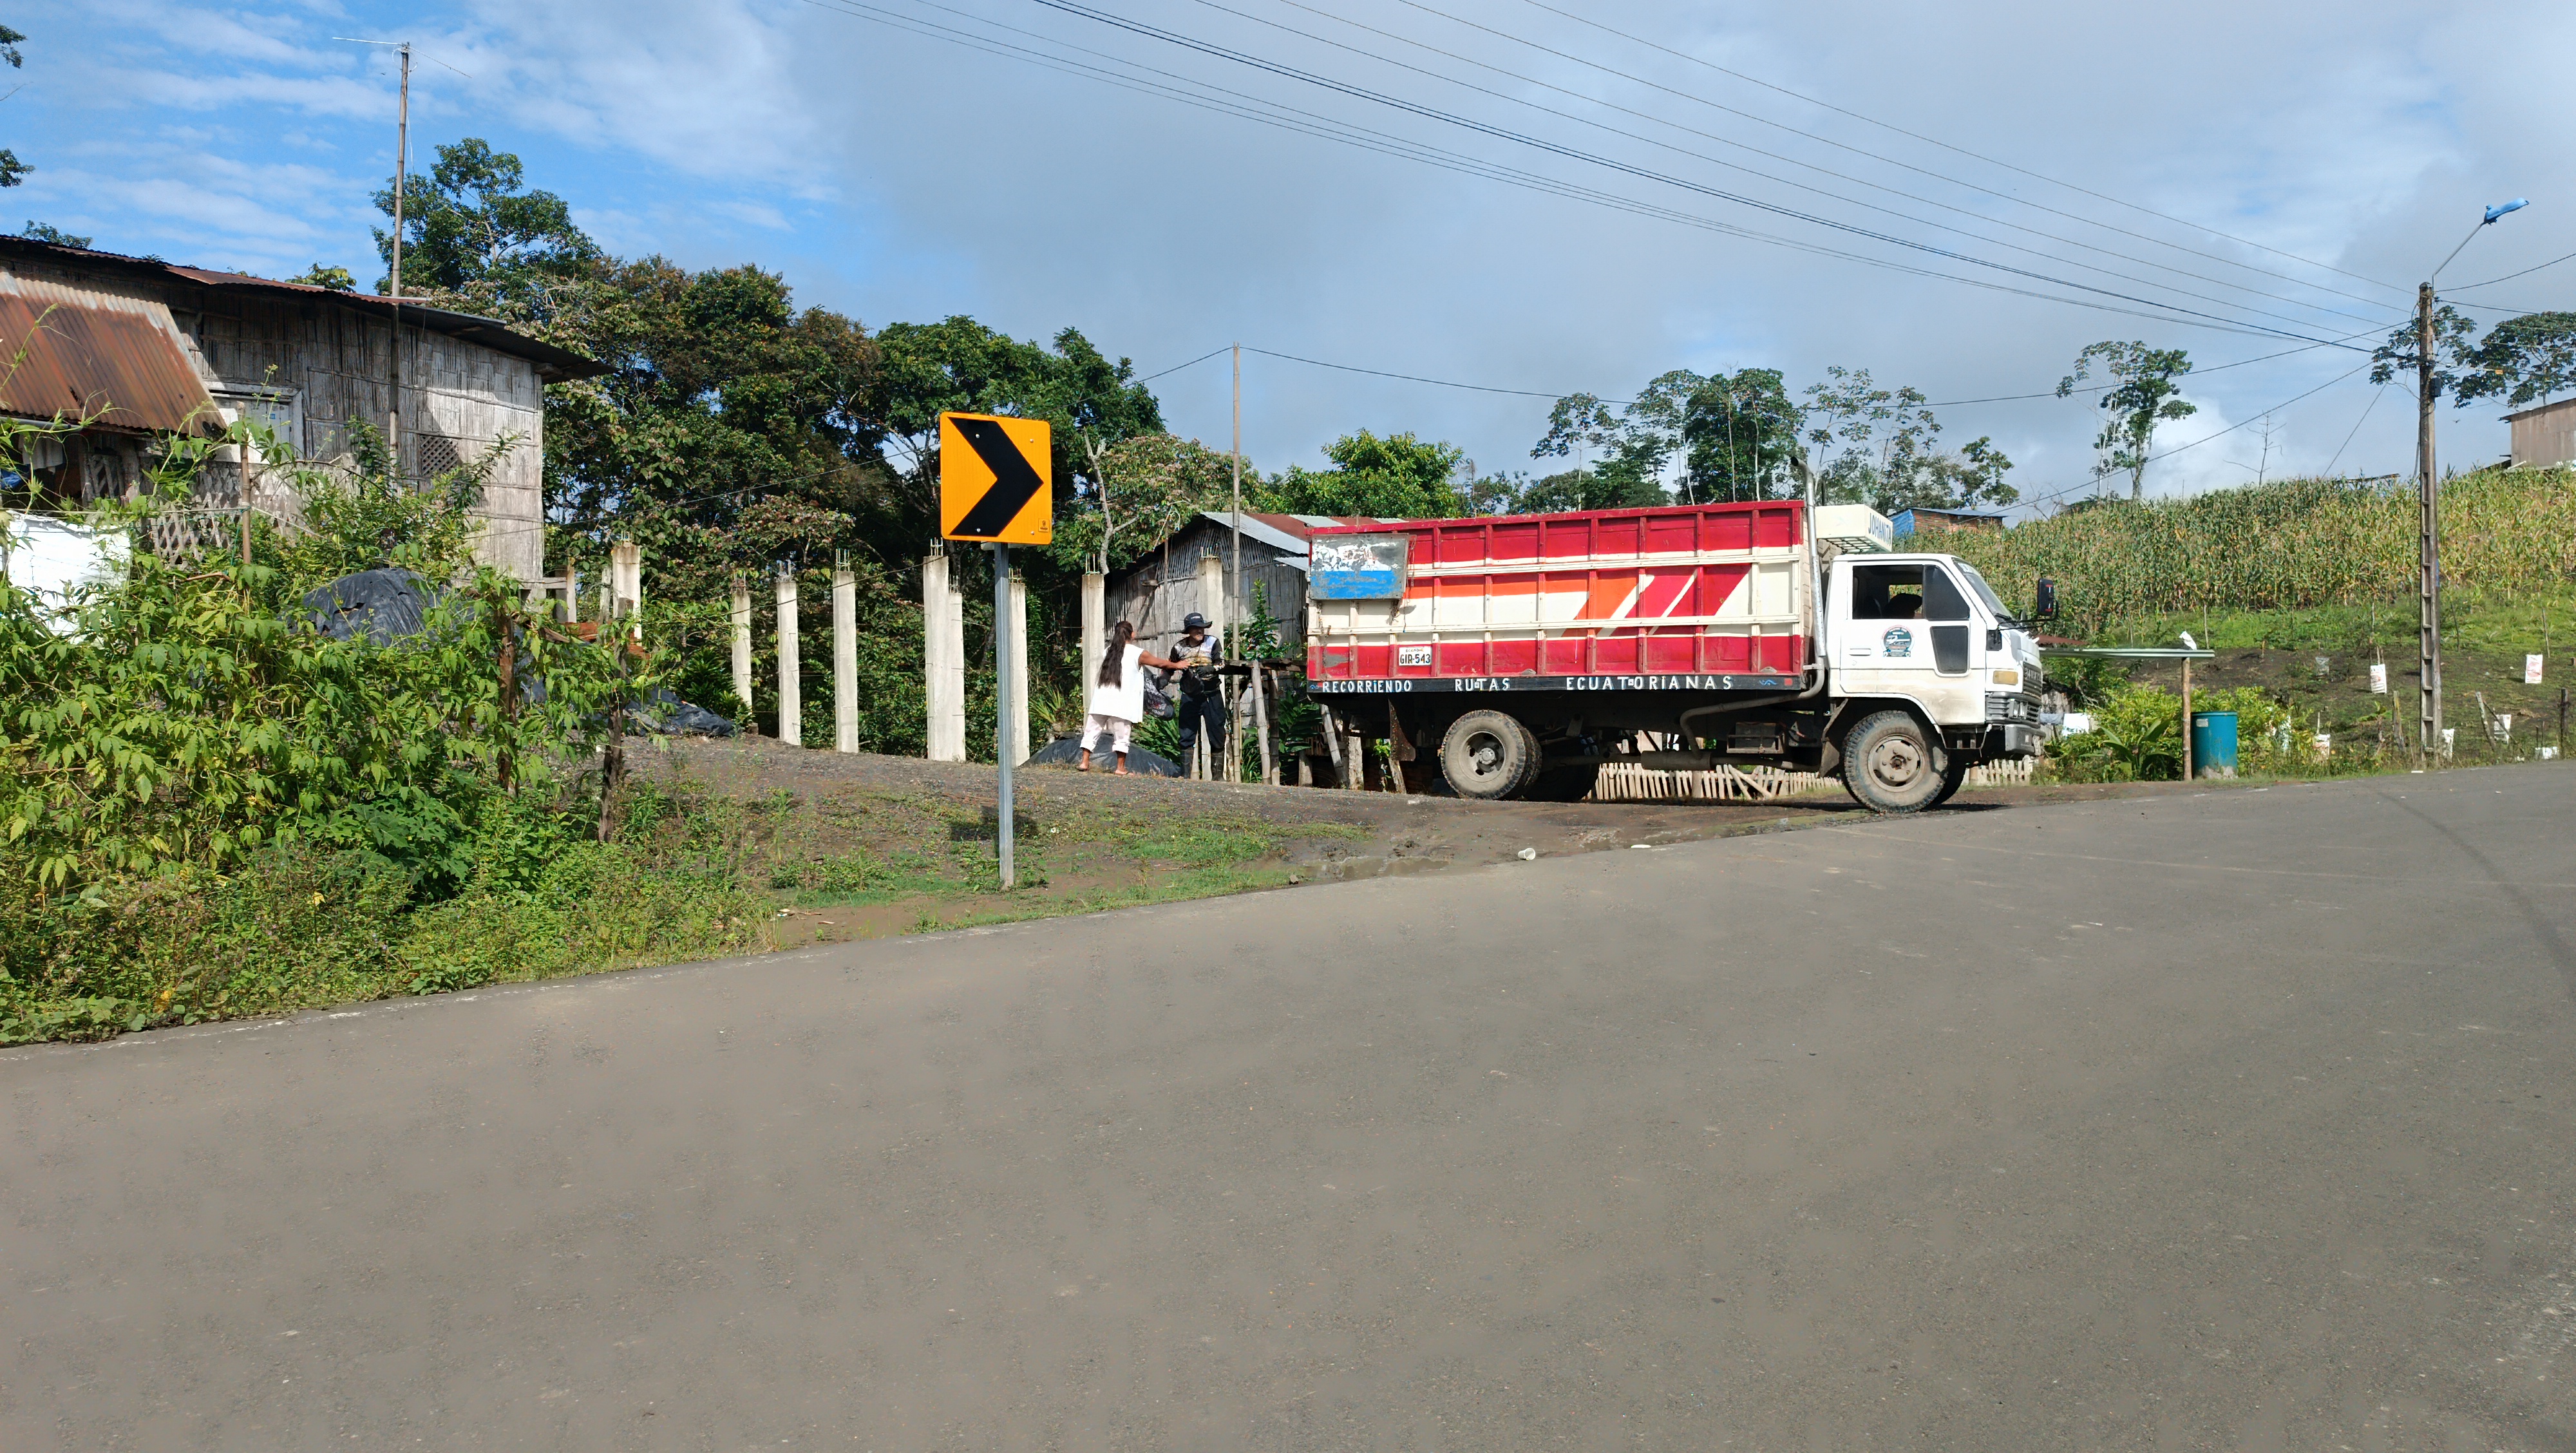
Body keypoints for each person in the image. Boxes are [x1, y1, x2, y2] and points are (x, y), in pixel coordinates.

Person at [1079, 621, 1183, 774]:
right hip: (1122, 701)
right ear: (1132, 634)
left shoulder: (1108, 651)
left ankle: (1084, 762)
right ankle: (1120, 768)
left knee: (1092, 731)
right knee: (1122, 735)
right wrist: (1178, 665)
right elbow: (1160, 664)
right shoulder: (1138, 653)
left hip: (1101, 699)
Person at [1168, 611, 1228, 772]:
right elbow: (1170, 667)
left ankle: (1217, 776)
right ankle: (1186, 776)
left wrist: (1210, 668)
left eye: (1202, 627)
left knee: (1217, 732)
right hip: (1190, 696)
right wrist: (1161, 683)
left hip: (1212, 694)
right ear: (1188, 631)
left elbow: (1222, 663)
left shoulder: (1213, 642)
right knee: (1186, 734)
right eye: (1195, 628)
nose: (1199, 631)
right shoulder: (1179, 648)